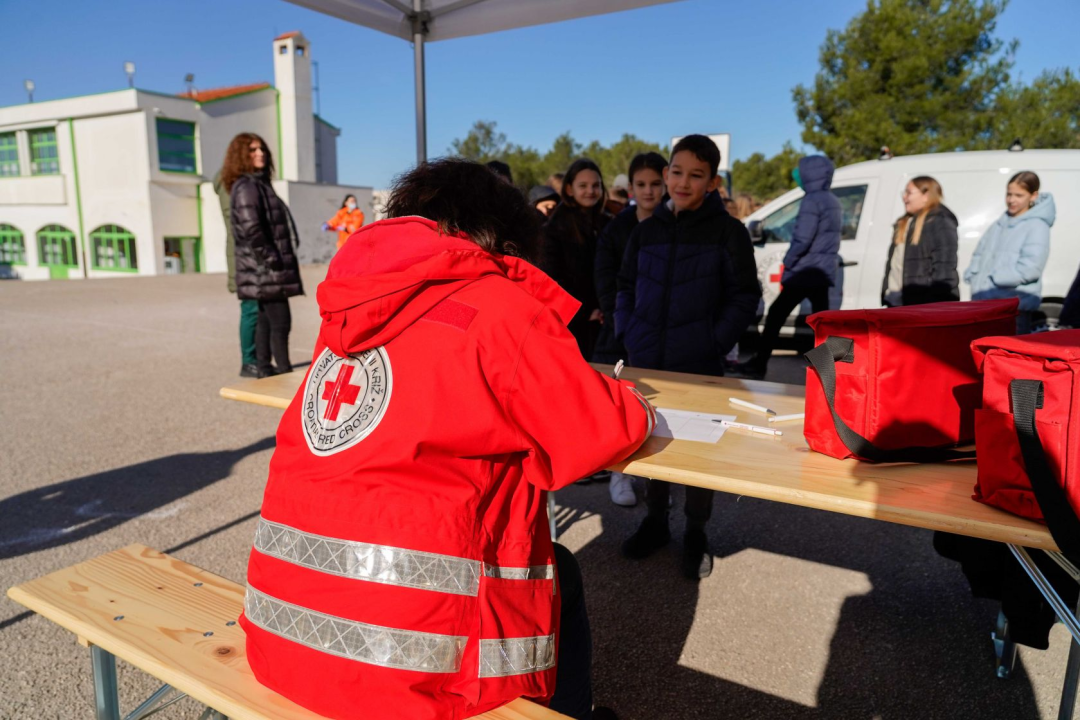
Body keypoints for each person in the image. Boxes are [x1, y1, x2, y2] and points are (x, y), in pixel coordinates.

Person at [239, 158, 653, 720]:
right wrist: (634, 402)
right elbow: (598, 434)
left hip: (280, 635)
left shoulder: (350, 310)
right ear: (505, 239)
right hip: (412, 679)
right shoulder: (501, 309)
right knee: (562, 572)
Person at [615, 135, 761, 578]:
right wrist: (629, 331)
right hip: (648, 361)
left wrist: (713, 341)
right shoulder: (644, 231)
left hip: (700, 365)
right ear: (665, 175)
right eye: (676, 172)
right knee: (654, 446)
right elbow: (624, 286)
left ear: (712, 182)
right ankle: (656, 521)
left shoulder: (728, 232)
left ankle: (696, 531)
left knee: (701, 456)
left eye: (696, 175)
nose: (683, 182)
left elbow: (744, 296)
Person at [593, 152, 667, 507]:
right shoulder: (617, 227)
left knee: (662, 409)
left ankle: (659, 481)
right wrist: (618, 319)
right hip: (622, 329)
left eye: (656, 183)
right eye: (642, 184)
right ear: (631, 187)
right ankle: (619, 474)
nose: (649, 191)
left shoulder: (674, 224)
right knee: (619, 405)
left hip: (663, 330)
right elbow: (606, 277)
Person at [734, 155, 840, 379]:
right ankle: (828, 371)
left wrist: (788, 262)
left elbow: (803, 238)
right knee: (822, 324)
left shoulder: (812, 200)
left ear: (810, 174)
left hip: (805, 270)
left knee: (775, 315)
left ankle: (759, 363)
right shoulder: (832, 200)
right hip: (821, 270)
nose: (797, 176)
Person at [222, 132, 303, 378]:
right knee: (281, 322)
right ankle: (284, 372)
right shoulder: (247, 186)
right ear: (241, 156)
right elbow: (251, 229)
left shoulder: (257, 184)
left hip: (262, 268)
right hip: (265, 269)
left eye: (262, 149)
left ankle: (266, 370)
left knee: (267, 321)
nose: (260, 154)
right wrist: (272, 259)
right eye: (253, 150)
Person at [964, 171, 1055, 334]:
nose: (1011, 200)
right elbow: (980, 252)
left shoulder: (1037, 226)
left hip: (1012, 309)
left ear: (1033, 196)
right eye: (1009, 194)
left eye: (1019, 195)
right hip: (987, 305)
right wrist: (974, 274)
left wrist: (994, 278)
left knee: (1006, 356)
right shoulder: (1000, 222)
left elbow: (1031, 268)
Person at [541, 159, 612, 360]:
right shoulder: (554, 229)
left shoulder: (609, 223)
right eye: (583, 186)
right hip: (572, 323)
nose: (590, 190)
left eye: (596, 185)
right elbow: (553, 279)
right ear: (570, 189)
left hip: (603, 319)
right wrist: (584, 312)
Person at [881, 176, 959, 307]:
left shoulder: (940, 221)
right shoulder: (904, 222)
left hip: (922, 305)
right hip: (896, 301)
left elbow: (944, 269)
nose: (904, 197)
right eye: (904, 192)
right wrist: (885, 293)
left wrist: (937, 305)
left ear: (926, 195)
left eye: (909, 192)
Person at [213, 160, 257, 378]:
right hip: (245, 258)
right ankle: (249, 361)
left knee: (257, 311)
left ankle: (257, 359)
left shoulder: (235, 183)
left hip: (245, 256)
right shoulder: (234, 184)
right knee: (251, 310)